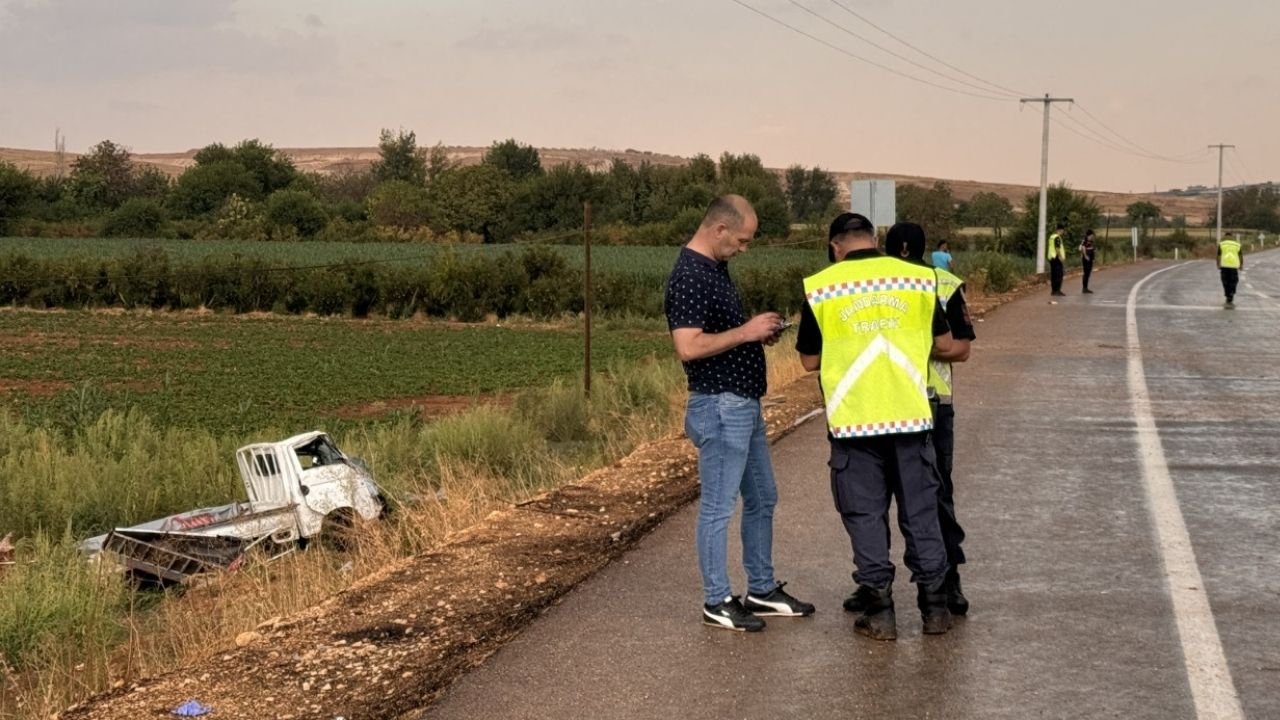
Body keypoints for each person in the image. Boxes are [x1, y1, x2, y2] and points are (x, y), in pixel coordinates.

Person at [796, 212, 957, 640]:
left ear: (835, 246)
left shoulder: (821, 287)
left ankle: (881, 614)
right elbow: (943, 344)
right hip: (911, 417)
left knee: (865, 516)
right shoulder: (918, 280)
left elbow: (810, 360)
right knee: (921, 514)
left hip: (855, 424)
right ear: (874, 238)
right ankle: (934, 609)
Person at [664, 194, 815, 633]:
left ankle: (762, 589)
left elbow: (718, 334)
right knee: (717, 506)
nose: (744, 249)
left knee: (763, 497)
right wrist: (745, 332)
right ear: (719, 230)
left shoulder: (715, 269)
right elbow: (688, 346)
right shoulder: (690, 276)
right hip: (719, 404)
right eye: (742, 241)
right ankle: (716, 599)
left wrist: (754, 335)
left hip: (742, 403)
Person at [884, 222, 975, 616]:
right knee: (876, 498)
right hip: (884, 401)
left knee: (936, 494)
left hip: (932, 405)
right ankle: (875, 584)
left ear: (898, 251)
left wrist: (916, 346)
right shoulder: (879, 283)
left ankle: (948, 580)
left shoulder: (944, 285)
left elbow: (962, 348)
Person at [1218, 231, 1243, 308]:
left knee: (1225, 280)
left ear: (1225, 236)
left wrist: (1218, 264)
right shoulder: (1237, 244)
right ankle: (1232, 292)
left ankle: (1227, 294)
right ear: (1232, 236)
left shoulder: (1221, 244)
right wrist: (1241, 264)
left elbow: (1219, 255)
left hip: (1224, 265)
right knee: (1234, 280)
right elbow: (1240, 255)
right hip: (1233, 265)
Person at [1048, 223, 1067, 297]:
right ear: (1060, 230)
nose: (1063, 232)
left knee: (1053, 274)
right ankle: (1057, 290)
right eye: (1063, 230)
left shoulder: (1051, 237)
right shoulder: (1057, 237)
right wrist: (1060, 257)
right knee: (1059, 274)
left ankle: (1053, 290)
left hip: (1051, 257)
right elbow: (1057, 248)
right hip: (1056, 258)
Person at [1079, 229, 1096, 294]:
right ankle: (1084, 288)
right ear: (1089, 235)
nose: (1093, 236)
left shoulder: (1091, 241)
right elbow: (1082, 248)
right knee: (1086, 273)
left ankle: (1086, 288)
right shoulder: (1085, 240)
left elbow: (1092, 250)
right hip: (1086, 259)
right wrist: (1085, 256)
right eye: (1092, 235)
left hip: (1090, 259)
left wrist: (1093, 258)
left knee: (1088, 273)